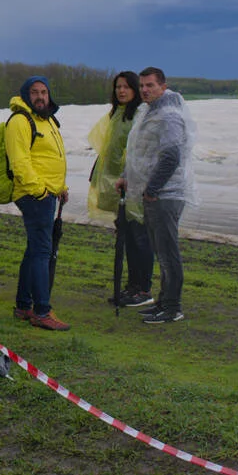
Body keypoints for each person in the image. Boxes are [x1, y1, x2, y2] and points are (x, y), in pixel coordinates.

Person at [118, 67, 196, 326]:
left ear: (163, 86)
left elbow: (171, 156)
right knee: (161, 252)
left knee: (168, 252)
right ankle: (163, 302)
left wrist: (153, 188)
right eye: (142, 85)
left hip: (165, 194)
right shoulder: (148, 112)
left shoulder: (169, 116)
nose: (144, 90)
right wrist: (127, 176)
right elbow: (139, 151)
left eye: (150, 85)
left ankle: (173, 307)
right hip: (151, 193)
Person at [6, 76, 70, 331]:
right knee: (42, 251)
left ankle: (24, 305)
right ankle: (42, 311)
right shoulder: (20, 121)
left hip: (47, 193)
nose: (41, 97)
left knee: (35, 250)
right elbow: (19, 162)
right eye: (35, 92)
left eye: (44, 92)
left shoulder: (47, 120)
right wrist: (40, 191)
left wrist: (60, 187)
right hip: (34, 195)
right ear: (25, 95)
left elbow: (49, 158)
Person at [87, 71, 154, 308]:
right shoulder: (117, 114)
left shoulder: (139, 115)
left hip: (134, 185)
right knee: (126, 238)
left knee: (139, 237)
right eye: (118, 87)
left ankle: (143, 288)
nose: (121, 91)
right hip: (118, 184)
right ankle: (132, 286)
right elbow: (109, 148)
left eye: (126, 87)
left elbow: (140, 151)